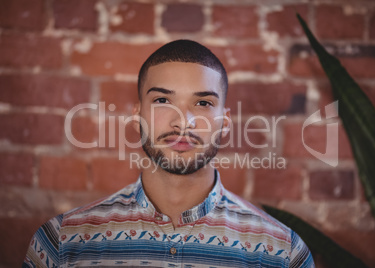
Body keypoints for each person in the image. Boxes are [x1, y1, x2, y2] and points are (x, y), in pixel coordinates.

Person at [23, 40, 315, 268]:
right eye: (162, 100)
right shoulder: (61, 242)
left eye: (202, 103)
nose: (182, 121)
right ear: (138, 115)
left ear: (225, 122)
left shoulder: (282, 252)